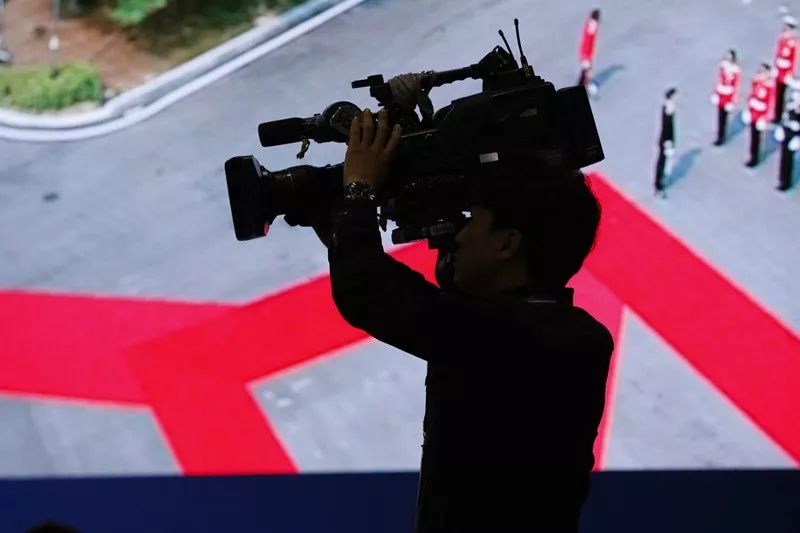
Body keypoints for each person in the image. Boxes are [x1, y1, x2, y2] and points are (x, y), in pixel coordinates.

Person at [310, 108, 613, 533]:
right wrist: (344, 232)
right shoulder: (566, 334)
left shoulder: (515, 336)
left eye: (473, 223)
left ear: (507, 244)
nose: (458, 235)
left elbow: (371, 294)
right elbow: (446, 301)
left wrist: (359, 190)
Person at [743, 63, 776, 168]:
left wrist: (766, 118)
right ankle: (752, 156)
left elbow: (771, 103)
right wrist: (749, 107)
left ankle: (755, 158)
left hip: (761, 116)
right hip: (754, 113)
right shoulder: (756, 82)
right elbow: (751, 95)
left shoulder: (769, 87)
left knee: (757, 137)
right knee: (753, 136)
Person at [711, 49, 741, 146]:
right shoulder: (723, 67)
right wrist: (716, 92)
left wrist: (732, 101)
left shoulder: (735, 71)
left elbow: (735, 86)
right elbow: (719, 80)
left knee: (724, 117)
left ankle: (722, 136)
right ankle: (719, 136)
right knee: (720, 116)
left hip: (728, 96)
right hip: (721, 94)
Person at [774, 85, 800, 191]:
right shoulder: (790, 105)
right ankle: (781, 179)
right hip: (786, 133)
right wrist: (781, 127)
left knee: (789, 159)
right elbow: (785, 118)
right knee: (783, 157)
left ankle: (786, 182)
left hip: (794, 136)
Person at [773, 15, 798, 123]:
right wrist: (775, 66)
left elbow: (793, 58)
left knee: (784, 95)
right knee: (778, 94)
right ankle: (777, 115)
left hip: (785, 72)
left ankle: (783, 115)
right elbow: (778, 53)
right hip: (779, 71)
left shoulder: (792, 42)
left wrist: (790, 72)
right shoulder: (782, 39)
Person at [655, 88, 677, 198]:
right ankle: (658, 187)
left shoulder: (669, 107)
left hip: (666, 140)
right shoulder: (668, 109)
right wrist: (668, 142)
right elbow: (667, 127)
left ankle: (660, 183)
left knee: (663, 162)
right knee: (662, 163)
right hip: (665, 140)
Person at [577, 9, 601, 96]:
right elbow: (589, 41)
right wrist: (587, 57)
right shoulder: (592, 26)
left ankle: (582, 88)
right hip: (586, 53)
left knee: (585, 72)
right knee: (585, 73)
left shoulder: (590, 23)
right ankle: (581, 90)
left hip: (585, 52)